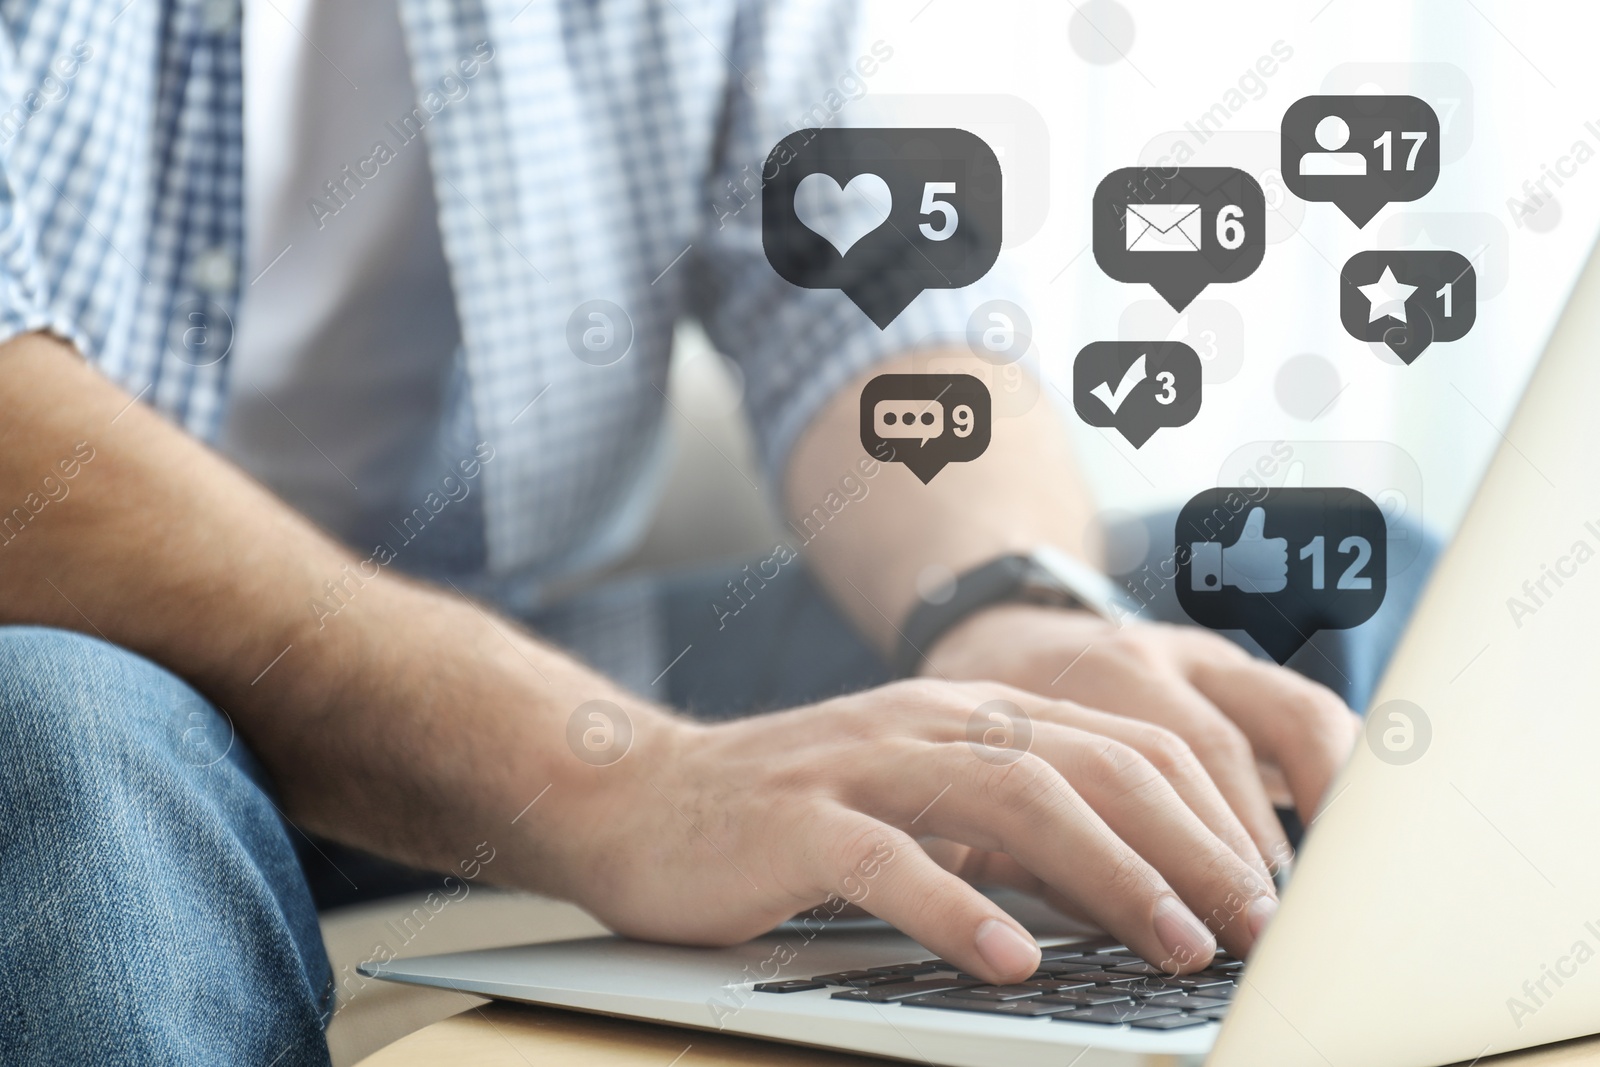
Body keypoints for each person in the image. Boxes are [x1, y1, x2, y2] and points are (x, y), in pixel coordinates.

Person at [0, 0, 1395, 1062]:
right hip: (111, 681)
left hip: (537, 638)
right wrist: (621, 784)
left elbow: (879, 310)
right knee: (48, 731)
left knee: (1309, 589)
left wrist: (1011, 606)